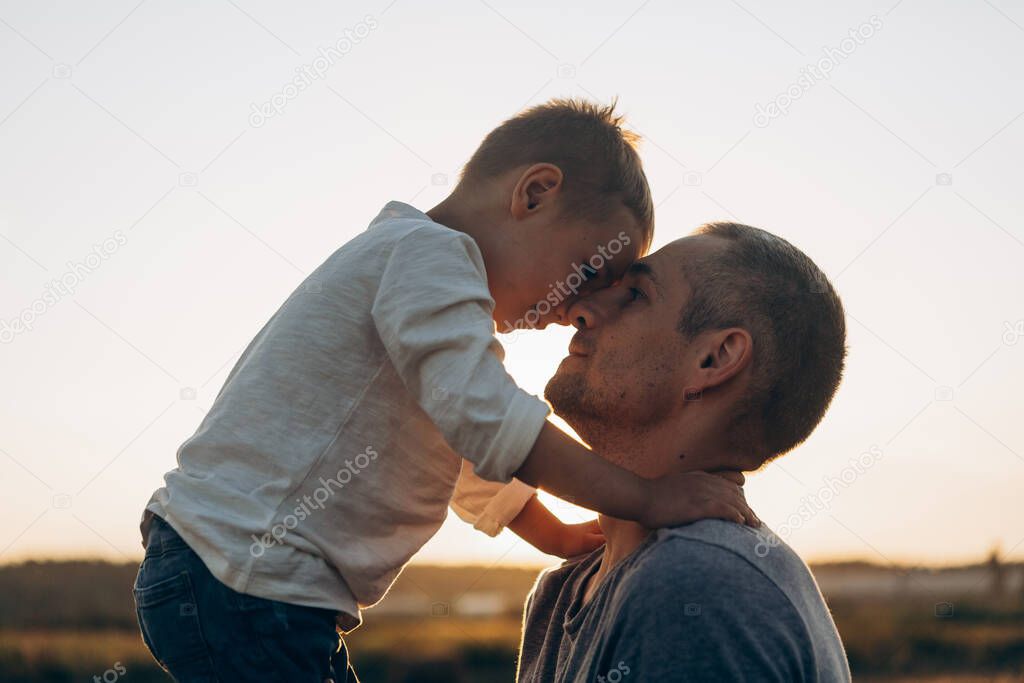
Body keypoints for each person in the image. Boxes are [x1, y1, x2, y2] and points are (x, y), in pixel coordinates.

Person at [132, 100, 757, 682]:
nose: (577, 308)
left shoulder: (414, 270)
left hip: (227, 578)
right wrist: (646, 499)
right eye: (590, 270)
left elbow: (456, 442)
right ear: (535, 194)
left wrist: (551, 534)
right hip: (247, 582)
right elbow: (485, 420)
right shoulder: (430, 258)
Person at [518, 222, 852, 682]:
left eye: (636, 293)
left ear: (714, 360)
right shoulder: (563, 590)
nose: (579, 307)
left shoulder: (696, 584)